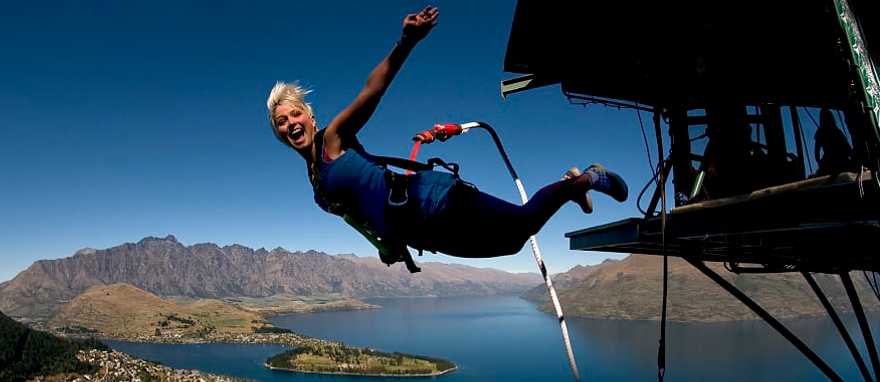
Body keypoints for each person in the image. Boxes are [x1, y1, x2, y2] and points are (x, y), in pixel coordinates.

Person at [265, 6, 627, 268]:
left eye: (295, 114)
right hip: (421, 231)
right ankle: (572, 186)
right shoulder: (316, 180)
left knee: (520, 227)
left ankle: (584, 179)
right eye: (281, 121)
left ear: (310, 117)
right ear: (277, 132)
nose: (291, 123)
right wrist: (387, 244)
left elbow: (370, 92)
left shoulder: (333, 139)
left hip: (432, 200)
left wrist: (405, 42)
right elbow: (357, 216)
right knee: (513, 244)